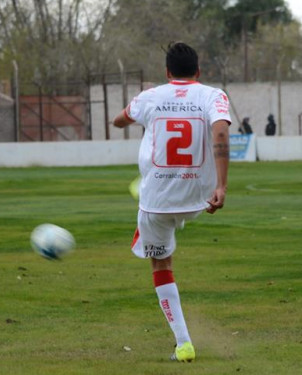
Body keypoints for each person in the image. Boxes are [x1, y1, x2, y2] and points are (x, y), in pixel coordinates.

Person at [112, 42, 231, 363]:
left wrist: (134, 111)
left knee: (161, 264)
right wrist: (221, 185)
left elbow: (118, 121)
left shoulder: (149, 97)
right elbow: (220, 131)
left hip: (158, 203)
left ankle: (183, 344)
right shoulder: (213, 95)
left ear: (166, 72)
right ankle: (162, 226)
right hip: (200, 198)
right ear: (199, 71)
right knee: (165, 230)